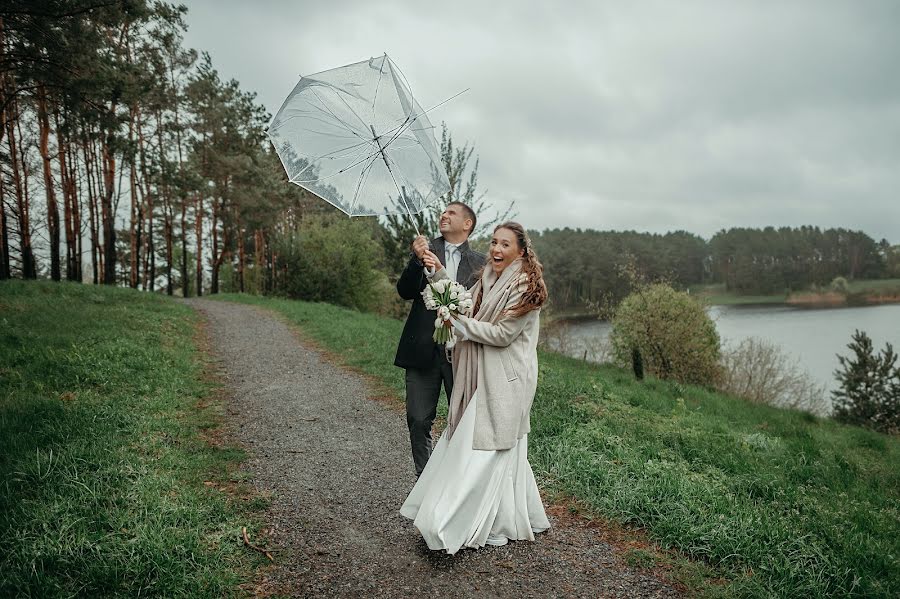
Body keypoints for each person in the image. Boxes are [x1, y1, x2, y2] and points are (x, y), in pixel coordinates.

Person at [400, 221, 551, 554]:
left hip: (507, 377)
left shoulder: (526, 287)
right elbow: (467, 302)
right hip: (482, 373)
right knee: (494, 447)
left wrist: (458, 324)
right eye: (494, 242)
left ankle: (478, 520)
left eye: (505, 245)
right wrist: (439, 273)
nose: (496, 250)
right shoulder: (490, 277)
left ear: (521, 251)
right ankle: (503, 517)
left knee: (487, 447)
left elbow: (501, 335)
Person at [395, 202, 486, 478]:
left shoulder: (480, 263)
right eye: (442, 212)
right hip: (422, 350)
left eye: (451, 213)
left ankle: (458, 481)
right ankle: (425, 480)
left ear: (467, 224)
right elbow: (405, 291)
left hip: (460, 354)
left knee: (462, 421)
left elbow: (479, 305)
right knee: (418, 419)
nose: (443, 216)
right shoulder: (424, 251)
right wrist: (415, 259)